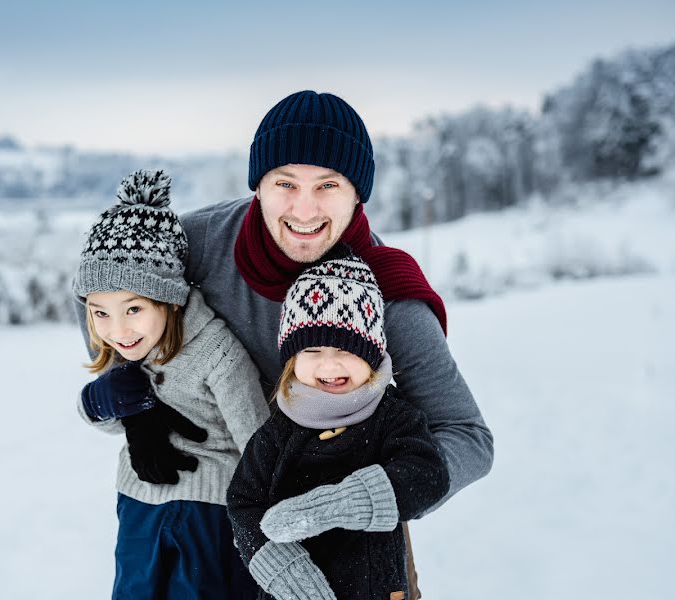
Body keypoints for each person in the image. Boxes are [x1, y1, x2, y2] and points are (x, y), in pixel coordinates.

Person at [76, 90, 494, 598]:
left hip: (356, 552)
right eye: (285, 183)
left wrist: (366, 496)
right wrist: (135, 397)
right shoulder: (202, 242)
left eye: (328, 185)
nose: (304, 208)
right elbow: (101, 287)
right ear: (259, 185)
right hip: (218, 524)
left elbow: (468, 436)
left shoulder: (386, 292)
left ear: (358, 193)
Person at [73, 169, 269, 599]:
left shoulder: (217, 353)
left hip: (210, 515)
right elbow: (108, 421)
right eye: (100, 313)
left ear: (168, 298)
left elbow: (257, 442)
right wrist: (101, 401)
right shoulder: (128, 352)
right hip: (138, 503)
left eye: (133, 308)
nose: (118, 329)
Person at [227, 246, 450, 599]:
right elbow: (243, 503)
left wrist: (343, 503)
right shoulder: (278, 431)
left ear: (372, 354)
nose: (329, 367)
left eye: (346, 350)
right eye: (312, 352)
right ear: (291, 360)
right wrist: (284, 569)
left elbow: (428, 474)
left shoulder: (391, 417)